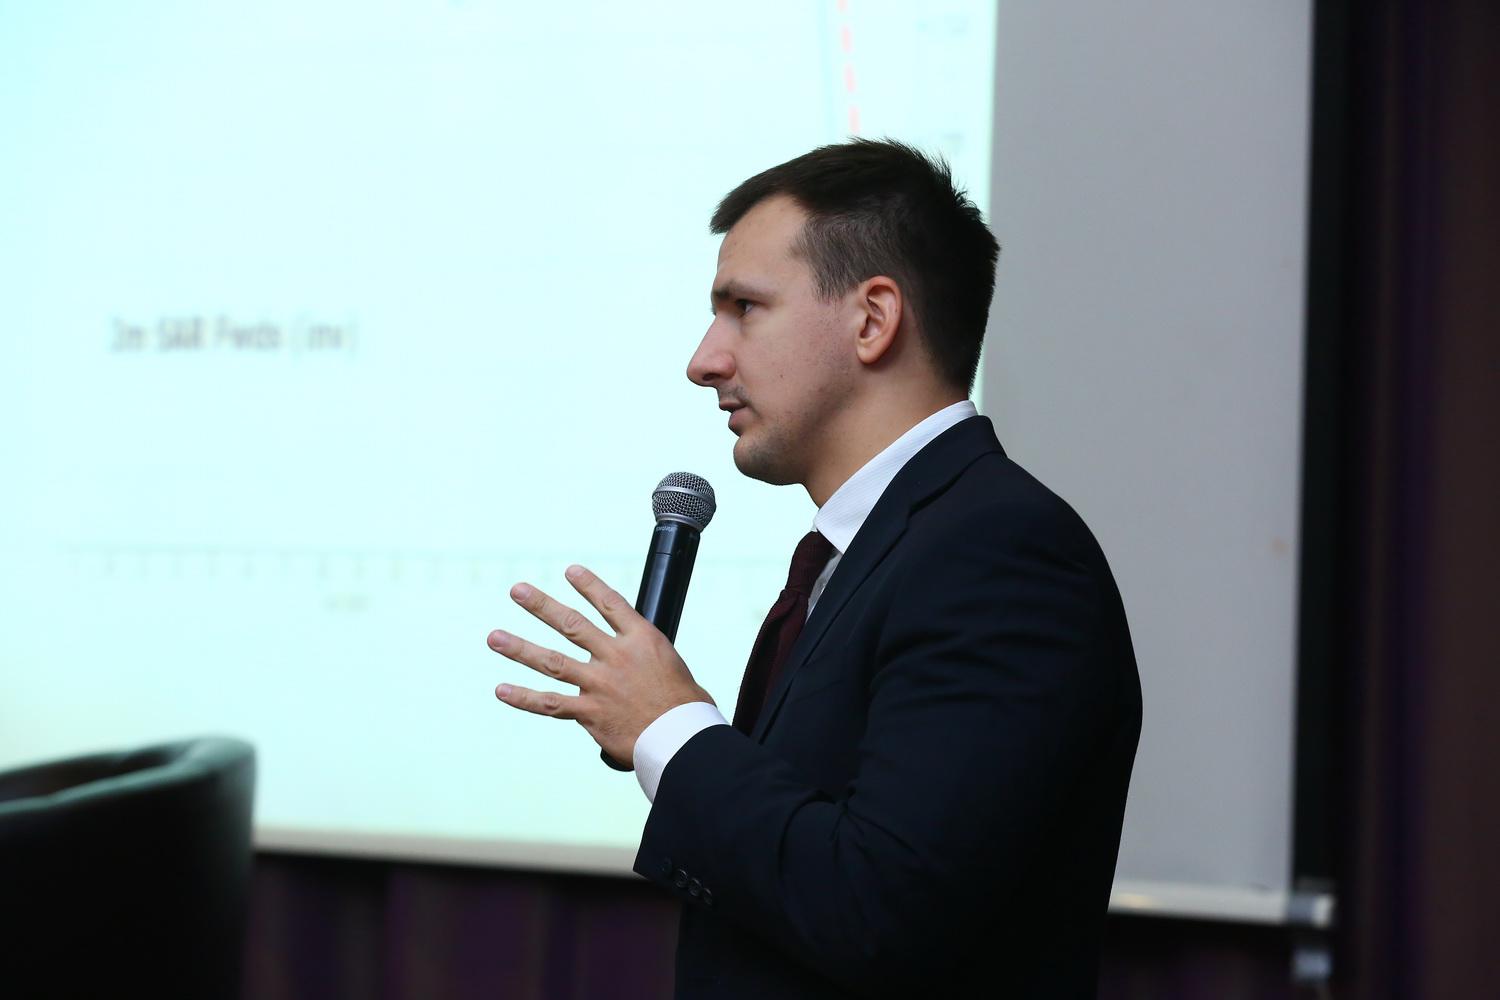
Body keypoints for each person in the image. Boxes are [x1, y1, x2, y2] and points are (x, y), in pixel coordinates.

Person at [486, 139, 1142, 999]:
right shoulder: (874, 550)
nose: (703, 360)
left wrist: (670, 728)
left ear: (873, 319)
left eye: (745, 308)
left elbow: (879, 910)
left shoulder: (1002, 553)